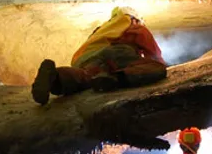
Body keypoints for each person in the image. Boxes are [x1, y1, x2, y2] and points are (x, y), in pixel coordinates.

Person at [30, 6, 167, 105]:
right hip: (114, 54)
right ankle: (116, 79)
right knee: (157, 68)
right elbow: (154, 54)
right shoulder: (135, 26)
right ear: (135, 18)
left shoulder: (101, 30)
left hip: (82, 58)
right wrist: (159, 66)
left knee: (86, 75)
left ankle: (55, 77)